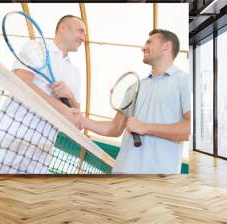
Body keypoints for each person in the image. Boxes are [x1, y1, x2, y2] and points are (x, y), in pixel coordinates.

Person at [0, 15, 86, 174]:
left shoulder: (75, 73)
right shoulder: (37, 47)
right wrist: (62, 108)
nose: (83, 38)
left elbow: (76, 120)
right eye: (80, 31)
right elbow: (21, 83)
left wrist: (71, 97)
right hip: (10, 137)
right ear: (63, 28)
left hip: (42, 150)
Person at [80, 29, 191, 174]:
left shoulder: (184, 80)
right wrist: (83, 121)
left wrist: (145, 127)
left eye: (149, 42)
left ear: (166, 46)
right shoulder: (134, 87)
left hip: (159, 181)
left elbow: (189, 130)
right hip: (121, 173)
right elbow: (115, 128)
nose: (143, 47)